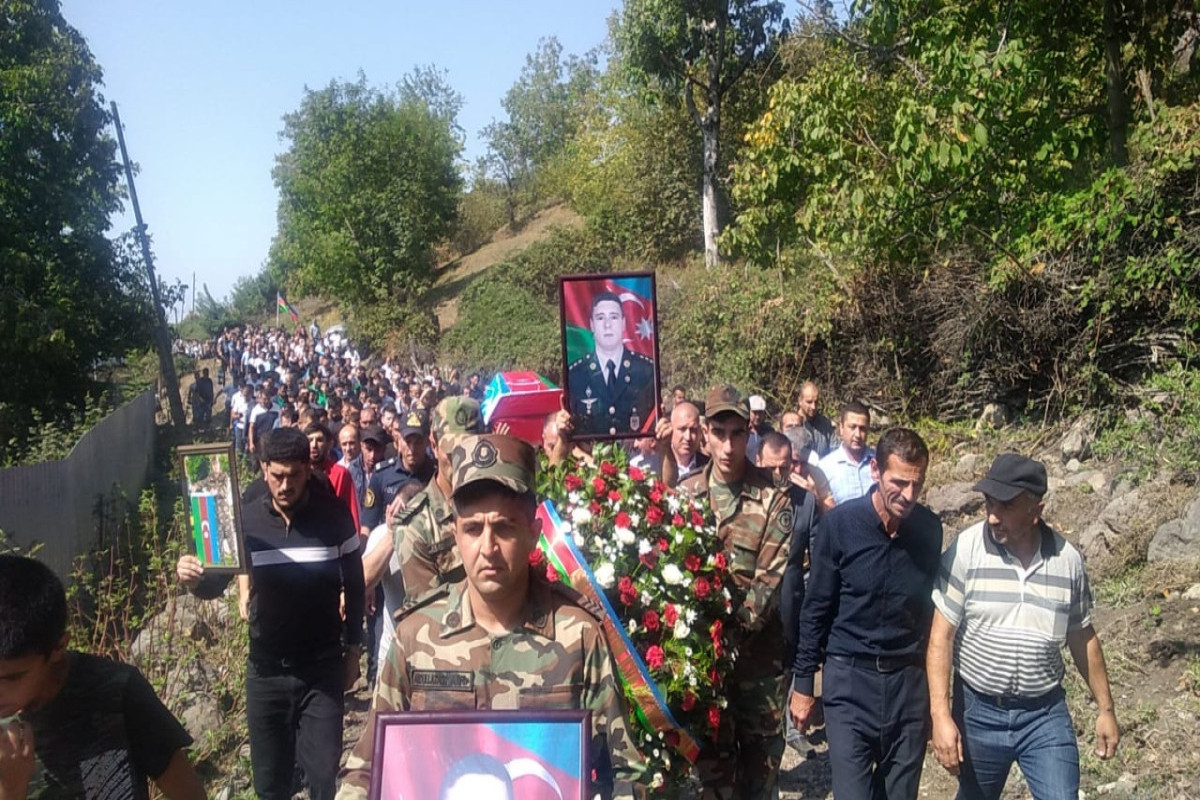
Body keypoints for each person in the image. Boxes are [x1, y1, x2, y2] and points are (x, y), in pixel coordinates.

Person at [336, 434, 647, 800]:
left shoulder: (577, 636)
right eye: (472, 529)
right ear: (455, 535)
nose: (487, 548)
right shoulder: (416, 637)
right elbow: (367, 767)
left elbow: (627, 773)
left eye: (504, 528)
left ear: (533, 534)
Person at [177, 427, 364, 800]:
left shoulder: (334, 516)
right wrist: (193, 578)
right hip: (266, 671)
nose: (285, 485)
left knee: (324, 774)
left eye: (294, 475)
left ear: (307, 470)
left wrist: (354, 651)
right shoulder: (243, 522)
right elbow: (213, 586)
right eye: (277, 475)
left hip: (321, 668)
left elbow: (356, 584)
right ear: (263, 469)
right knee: (270, 782)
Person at [928, 453, 1120, 800]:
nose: (992, 516)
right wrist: (940, 715)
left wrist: (1105, 710)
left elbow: (1082, 637)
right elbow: (941, 636)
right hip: (979, 713)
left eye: (1006, 506)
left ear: (1036, 510)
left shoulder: (1067, 563)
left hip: (1043, 715)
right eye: (989, 503)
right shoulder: (967, 550)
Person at [791, 427, 942, 800]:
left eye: (917, 485)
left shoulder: (929, 530)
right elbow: (816, 609)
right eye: (899, 483)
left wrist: (935, 702)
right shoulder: (840, 526)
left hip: (908, 686)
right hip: (850, 682)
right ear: (875, 470)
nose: (908, 496)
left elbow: (931, 617)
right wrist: (804, 685)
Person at [0, 556, 205, 800]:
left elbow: (188, 794)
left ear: (58, 648)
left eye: (12, 678)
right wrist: (11, 790)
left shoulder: (113, 693)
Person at [679, 386, 793, 799]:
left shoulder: (774, 500)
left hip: (756, 665)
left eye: (737, 434)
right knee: (712, 774)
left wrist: (723, 638)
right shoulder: (685, 496)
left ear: (750, 436)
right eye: (719, 432)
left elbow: (766, 585)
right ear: (705, 434)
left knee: (759, 775)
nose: (728, 446)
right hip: (704, 668)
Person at [394, 396, 485, 600]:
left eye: (471, 449)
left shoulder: (501, 502)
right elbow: (427, 616)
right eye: (453, 453)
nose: (464, 460)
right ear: (434, 446)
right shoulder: (415, 526)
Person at [566, 291, 655, 437]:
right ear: (592, 325)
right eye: (600, 318)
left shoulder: (645, 371)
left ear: (624, 323)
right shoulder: (576, 375)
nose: (607, 325)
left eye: (614, 317)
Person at [816, 401, 875, 505]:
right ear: (841, 428)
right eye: (852, 427)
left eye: (862, 429)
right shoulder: (825, 468)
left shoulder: (880, 462)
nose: (857, 434)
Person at [654, 401, 708, 488]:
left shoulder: (708, 466)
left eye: (693, 430)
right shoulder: (654, 465)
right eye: (682, 429)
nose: (688, 437)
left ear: (700, 432)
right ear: (670, 429)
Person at [797, 381, 838, 458]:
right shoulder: (793, 425)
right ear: (800, 401)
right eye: (809, 402)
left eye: (816, 402)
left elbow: (835, 451)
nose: (813, 407)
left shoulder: (826, 424)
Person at [746, 394, 773, 463]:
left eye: (760, 413)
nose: (758, 417)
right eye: (755, 413)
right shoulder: (743, 431)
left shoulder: (769, 432)